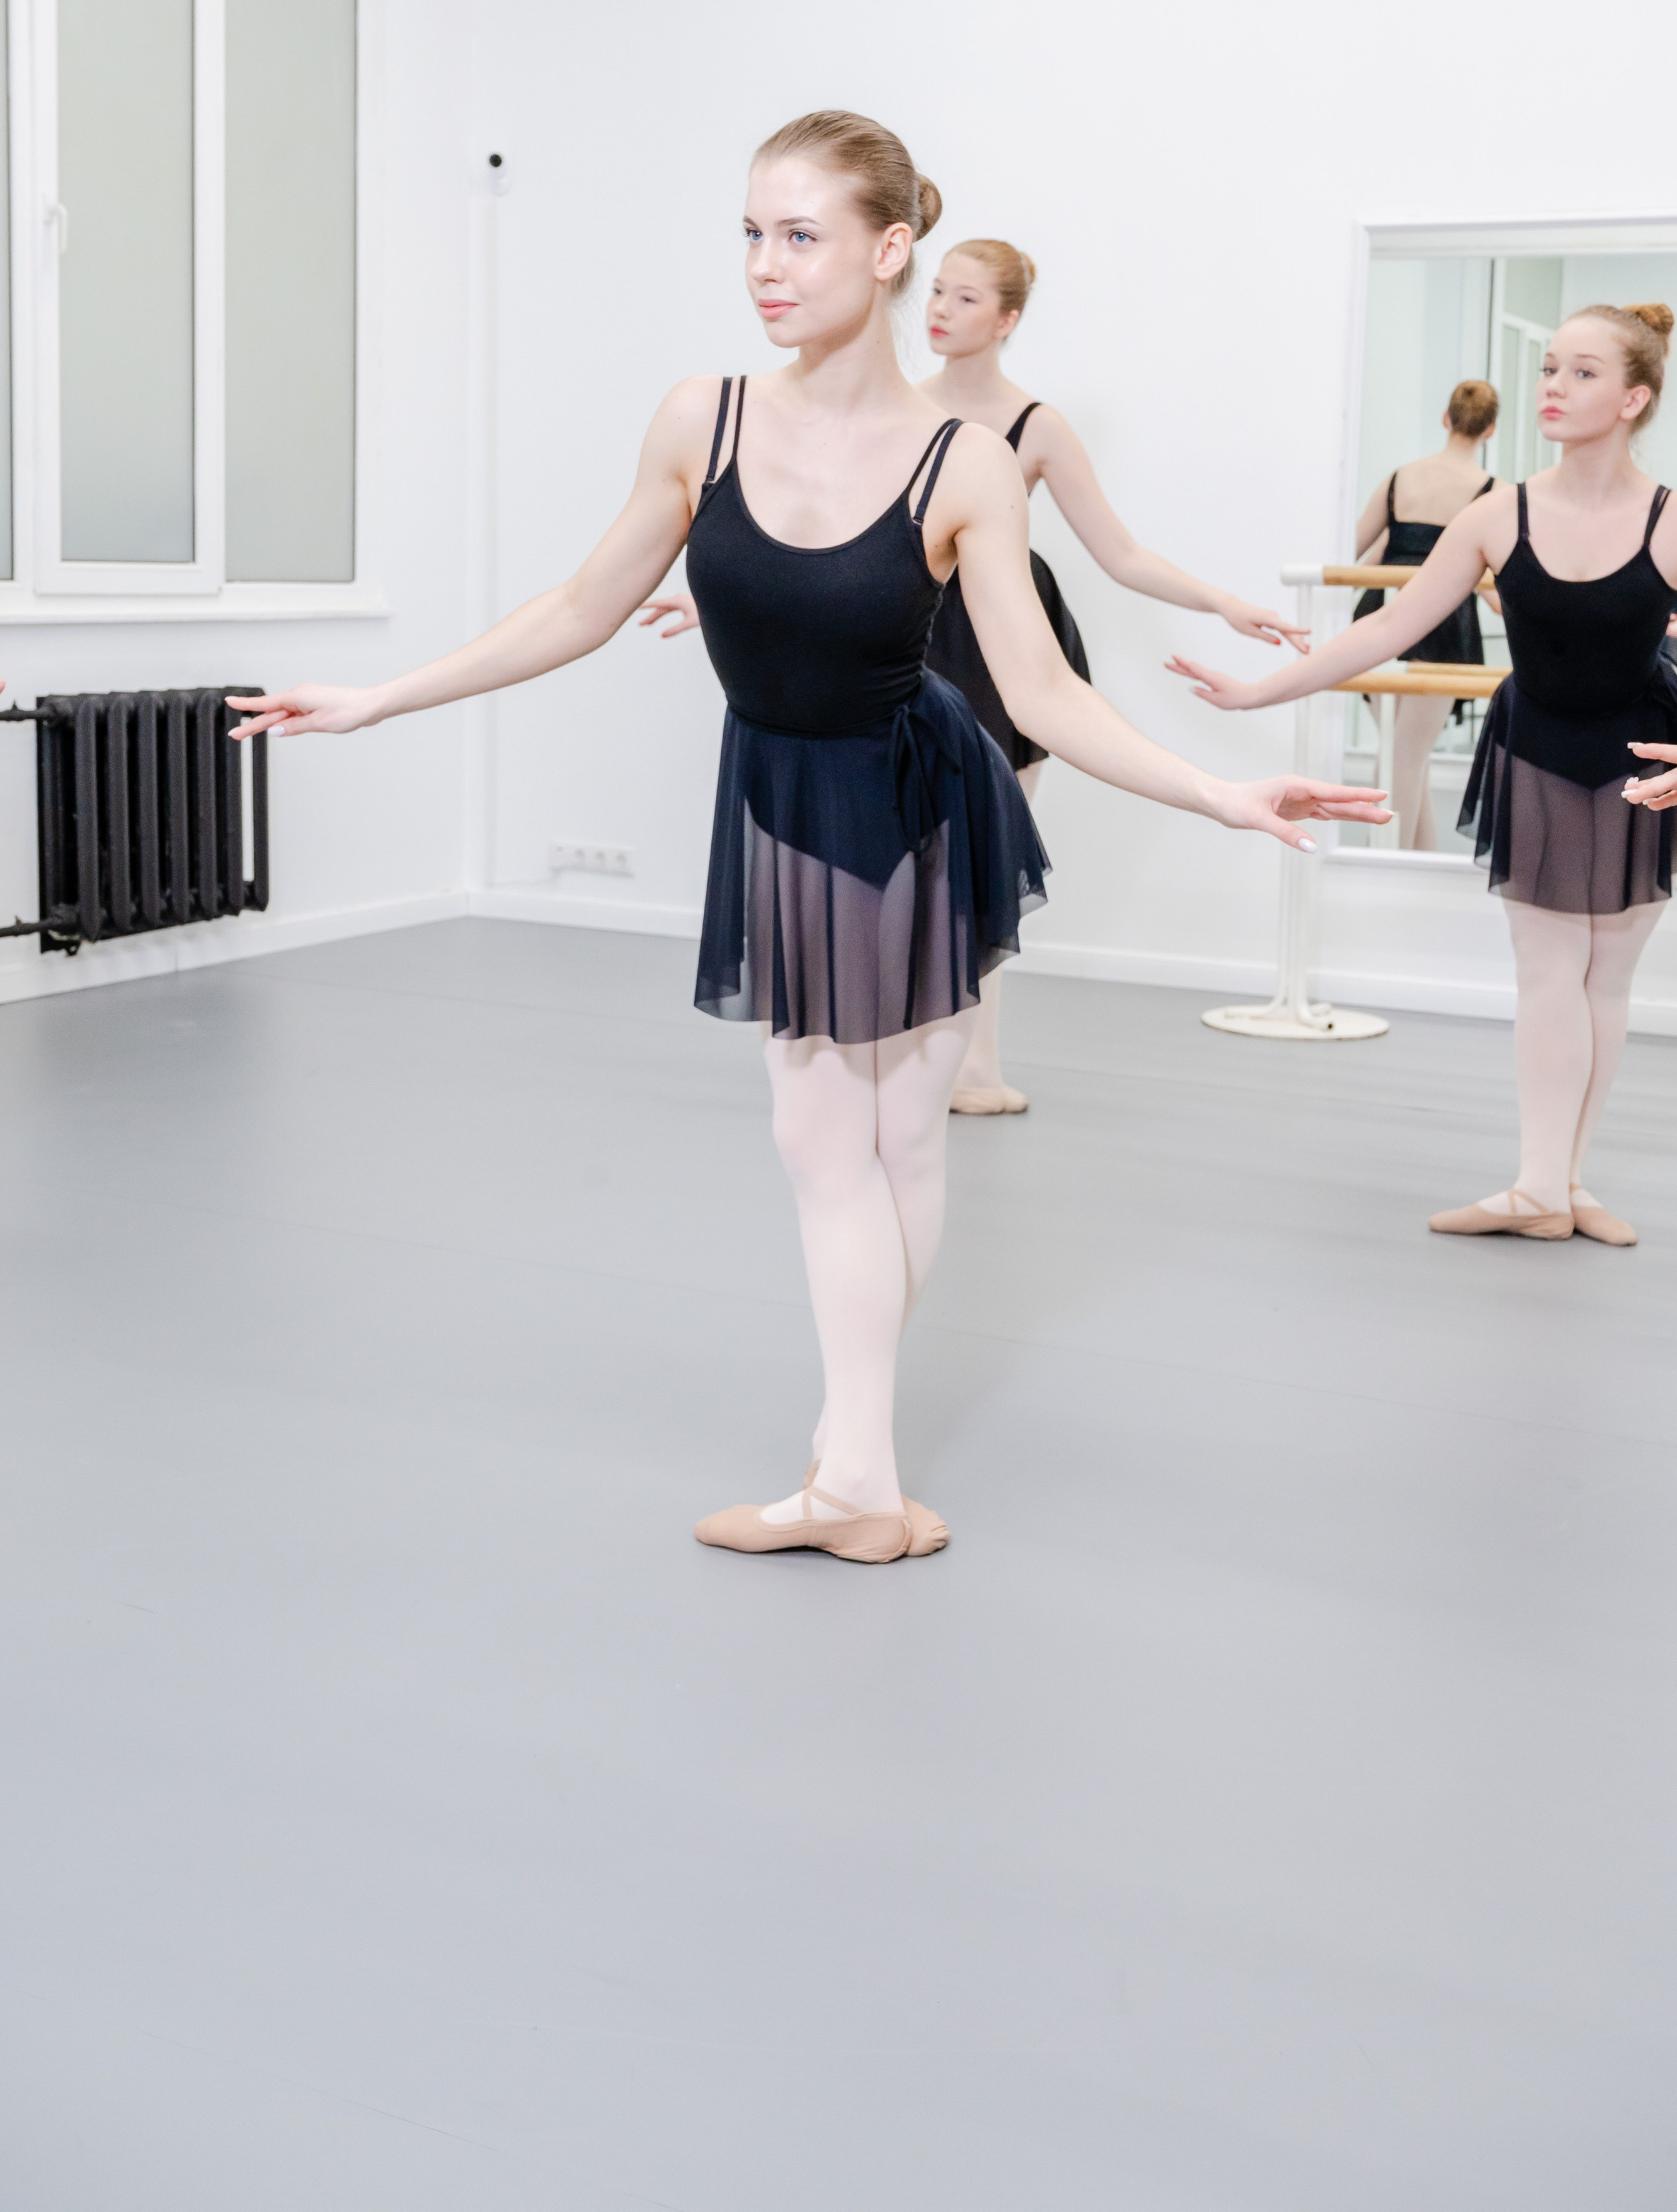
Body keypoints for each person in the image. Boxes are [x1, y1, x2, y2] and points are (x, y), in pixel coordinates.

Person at [230, 109, 1384, 1562]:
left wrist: (1218, 792)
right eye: (750, 235)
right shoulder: (698, 419)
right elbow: (581, 606)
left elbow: (1039, 691)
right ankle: (859, 1464)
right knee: (877, 1136)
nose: (764, 268)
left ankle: (855, 1478)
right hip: (778, 792)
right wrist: (383, 696)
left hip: (909, 794)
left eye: (799, 236)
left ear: (889, 250)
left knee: (840, 1131)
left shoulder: (961, 463)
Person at [644, 236, 1308, 1115]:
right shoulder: (890, 409)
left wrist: (1222, 601)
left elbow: (1120, 552)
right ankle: (898, 1054)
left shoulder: (1034, 429)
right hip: (905, 636)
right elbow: (817, 537)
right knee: (890, 871)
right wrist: (725, 599)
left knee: (970, 867)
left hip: (1006, 649)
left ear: (1007, 320)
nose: (941, 311)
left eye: (964, 299)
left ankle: (974, 1065)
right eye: (940, 294)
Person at [1168, 302, 1677, 1247]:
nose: (1554, 387)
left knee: (1609, 981)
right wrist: (1255, 695)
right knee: (1549, 970)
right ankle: (1536, 1186)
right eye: (1551, 368)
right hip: (1536, 752)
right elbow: (1385, 630)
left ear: (1636, 397)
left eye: (1582, 373)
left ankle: (1565, 1182)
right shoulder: (1498, 514)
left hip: (1642, 759)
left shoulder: (1667, 520)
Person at [1352, 381, 1502, 849]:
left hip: (1383, 613)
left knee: (1403, 752)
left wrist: (1395, 550)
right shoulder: (1495, 494)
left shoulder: (1400, 479)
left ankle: (1412, 863)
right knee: (1407, 754)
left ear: (1446, 419)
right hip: (1443, 623)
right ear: (1490, 430)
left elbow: (1353, 554)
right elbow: (1504, 581)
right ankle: (1391, 869)